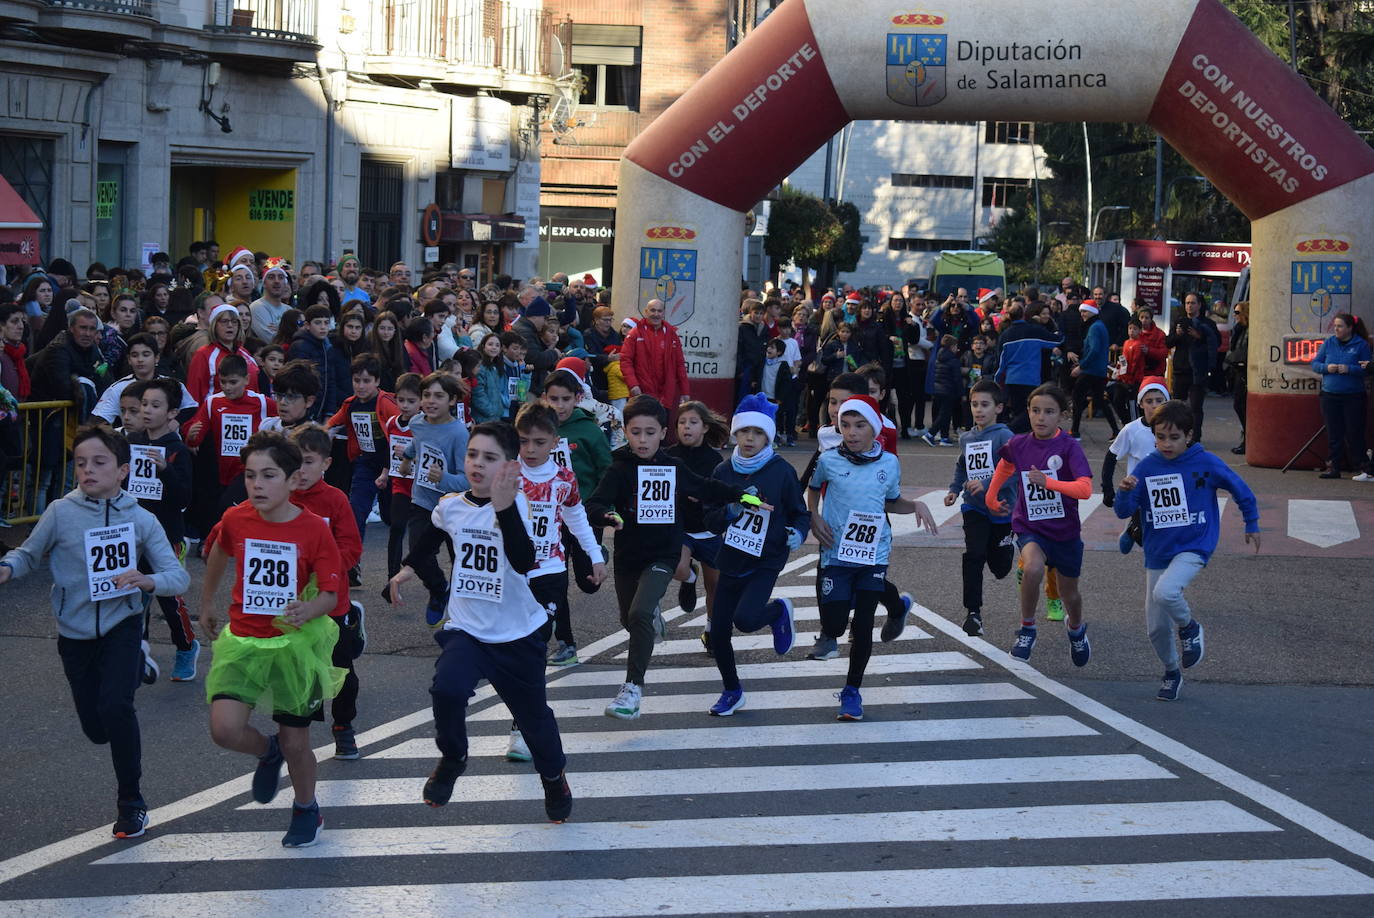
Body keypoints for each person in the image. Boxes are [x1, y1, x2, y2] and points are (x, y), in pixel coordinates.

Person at [0, 424, 190, 839]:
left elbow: (178, 576)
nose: (88, 470)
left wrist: (146, 580)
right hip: (74, 631)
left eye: (99, 463)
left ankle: (132, 804)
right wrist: (8, 568)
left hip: (122, 625)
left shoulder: (141, 519)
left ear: (122, 470)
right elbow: (28, 554)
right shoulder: (60, 512)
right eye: (81, 463)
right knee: (96, 727)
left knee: (117, 709)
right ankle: (137, 667)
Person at [387, 421, 574, 822]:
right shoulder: (451, 506)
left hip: (516, 634)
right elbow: (426, 545)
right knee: (447, 690)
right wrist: (405, 571)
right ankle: (453, 758)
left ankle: (554, 776)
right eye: (472, 455)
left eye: (489, 458)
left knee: (533, 720)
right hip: (468, 630)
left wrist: (505, 508)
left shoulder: (516, 505)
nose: (477, 463)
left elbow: (525, 561)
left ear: (508, 466)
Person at [199, 431, 347, 848]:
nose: (257, 485)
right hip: (244, 639)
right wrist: (207, 602)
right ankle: (266, 752)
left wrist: (308, 609)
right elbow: (219, 551)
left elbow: (331, 594)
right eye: (250, 476)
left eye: (268, 476)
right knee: (224, 730)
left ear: (293, 480)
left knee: (296, 741)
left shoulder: (313, 530)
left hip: (293, 645)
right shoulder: (236, 518)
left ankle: (306, 808)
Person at [585, 395, 754, 720]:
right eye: (636, 432)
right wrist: (608, 516)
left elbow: (708, 487)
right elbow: (594, 504)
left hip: (664, 553)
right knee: (631, 621)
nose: (643, 439)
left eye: (650, 432)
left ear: (663, 433)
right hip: (629, 557)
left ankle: (632, 691)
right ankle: (651, 621)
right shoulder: (619, 468)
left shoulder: (673, 467)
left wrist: (745, 495)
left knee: (639, 614)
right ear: (626, 432)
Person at [1113, 400, 1261, 700]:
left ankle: (1190, 627)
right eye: (1160, 437)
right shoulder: (1149, 465)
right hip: (1158, 550)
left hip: (1194, 544)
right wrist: (1124, 491)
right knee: (1155, 628)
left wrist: (1252, 522)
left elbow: (1238, 487)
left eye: (1174, 437)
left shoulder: (1205, 462)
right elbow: (1124, 511)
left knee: (1166, 592)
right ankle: (1171, 671)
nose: (1166, 444)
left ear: (1189, 435)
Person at [807, 395, 927, 721]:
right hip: (835, 552)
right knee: (833, 624)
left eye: (860, 425)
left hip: (873, 552)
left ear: (873, 428)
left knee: (862, 625)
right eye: (845, 425)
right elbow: (814, 488)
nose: (852, 432)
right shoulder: (828, 460)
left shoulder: (888, 463)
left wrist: (915, 505)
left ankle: (852, 691)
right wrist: (814, 516)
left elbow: (890, 501)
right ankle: (898, 605)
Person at [506, 404, 605, 757]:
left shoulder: (564, 479)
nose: (530, 449)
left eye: (539, 442)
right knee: (514, 652)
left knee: (535, 650)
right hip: (512, 576)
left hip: (549, 573)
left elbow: (577, 518)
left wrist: (595, 556)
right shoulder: (507, 475)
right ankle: (523, 715)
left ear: (554, 442)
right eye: (523, 441)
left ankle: (522, 729)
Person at [704, 395, 808, 715]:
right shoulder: (723, 471)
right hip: (732, 557)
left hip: (767, 557)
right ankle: (732, 690)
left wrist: (798, 533)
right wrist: (732, 510)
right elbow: (709, 518)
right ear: (735, 433)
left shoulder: (781, 471)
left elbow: (799, 513)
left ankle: (776, 611)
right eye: (744, 431)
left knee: (746, 620)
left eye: (758, 432)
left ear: (768, 437)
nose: (750, 438)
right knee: (718, 632)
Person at [984, 384, 1093, 666]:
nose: (1040, 417)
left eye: (1048, 412)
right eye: (1035, 411)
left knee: (1070, 594)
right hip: (1030, 525)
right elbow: (1007, 465)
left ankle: (1077, 629)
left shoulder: (1069, 447)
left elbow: (1084, 489)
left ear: (1062, 415)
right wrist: (991, 494)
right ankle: (1027, 628)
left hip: (1065, 532)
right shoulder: (1019, 444)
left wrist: (1049, 483)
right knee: (1031, 568)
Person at [284, 425, 367, 760]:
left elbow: (352, 548)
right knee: (297, 674)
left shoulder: (335, 500)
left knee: (342, 673)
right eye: (294, 462)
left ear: (326, 464)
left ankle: (343, 726)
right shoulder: (280, 497)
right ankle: (294, 737)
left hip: (332, 602)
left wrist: (325, 570)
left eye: (308, 462)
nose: (300, 470)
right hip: (291, 603)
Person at [126, 378, 199, 681]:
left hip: (167, 535)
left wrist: (165, 471)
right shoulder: (130, 443)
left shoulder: (176, 451)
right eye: (144, 404)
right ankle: (136, 651)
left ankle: (186, 646)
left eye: (155, 405)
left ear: (172, 413)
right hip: (132, 534)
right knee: (131, 594)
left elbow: (184, 498)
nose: (147, 411)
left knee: (168, 597)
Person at [539, 370, 613, 664]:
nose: (559, 405)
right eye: (553, 399)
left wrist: (603, 504)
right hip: (548, 517)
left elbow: (607, 470)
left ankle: (599, 554)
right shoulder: (539, 428)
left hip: (583, 514)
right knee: (555, 581)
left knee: (588, 583)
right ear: (545, 398)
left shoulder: (589, 431)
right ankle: (566, 642)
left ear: (578, 398)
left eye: (566, 399)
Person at [944, 379, 1017, 638]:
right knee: (973, 555)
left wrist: (987, 484)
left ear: (998, 408)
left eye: (985, 405)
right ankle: (973, 613)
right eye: (974, 404)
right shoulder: (967, 437)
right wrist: (954, 489)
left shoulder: (1004, 436)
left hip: (1001, 510)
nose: (978, 410)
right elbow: (962, 466)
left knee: (999, 568)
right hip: (974, 508)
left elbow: (1014, 470)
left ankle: (1008, 549)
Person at [400, 372, 471, 625]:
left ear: (452, 400)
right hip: (422, 502)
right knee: (418, 556)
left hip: (453, 506)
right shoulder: (418, 422)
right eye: (426, 395)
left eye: (439, 396)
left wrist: (443, 479)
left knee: (461, 561)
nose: (431, 401)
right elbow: (417, 443)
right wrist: (407, 459)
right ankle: (438, 589)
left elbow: (467, 479)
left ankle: (465, 612)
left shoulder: (458, 432)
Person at [665, 400, 730, 651]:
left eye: (693, 422)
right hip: (681, 529)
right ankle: (689, 578)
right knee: (678, 569)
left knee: (715, 586)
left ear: (704, 428)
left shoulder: (716, 460)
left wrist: (706, 496)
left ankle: (711, 630)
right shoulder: (669, 455)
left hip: (709, 530)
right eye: (682, 422)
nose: (686, 427)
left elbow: (724, 493)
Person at [326, 354, 400, 557]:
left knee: (389, 516)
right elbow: (333, 422)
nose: (360, 386)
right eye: (356, 381)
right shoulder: (350, 404)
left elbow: (397, 436)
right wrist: (326, 433)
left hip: (390, 466)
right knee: (356, 510)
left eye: (366, 381)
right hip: (365, 463)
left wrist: (387, 471)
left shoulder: (386, 403)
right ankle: (351, 562)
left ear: (377, 381)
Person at [1102, 377, 1172, 555]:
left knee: (1162, 539)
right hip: (1137, 490)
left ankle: (1132, 528)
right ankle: (1133, 527)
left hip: (1164, 489)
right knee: (1145, 539)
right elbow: (1111, 457)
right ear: (1141, 403)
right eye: (1149, 401)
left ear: (1167, 402)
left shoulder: (1173, 428)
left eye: (1159, 400)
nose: (1154, 405)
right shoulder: (1131, 430)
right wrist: (1107, 488)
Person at [375, 372, 423, 590]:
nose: (405, 405)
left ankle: (425, 570)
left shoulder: (424, 425)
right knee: (396, 527)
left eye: (411, 401)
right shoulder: (393, 422)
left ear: (421, 401)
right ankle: (391, 576)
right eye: (401, 400)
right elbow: (388, 450)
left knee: (419, 536)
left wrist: (411, 452)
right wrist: (385, 473)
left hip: (420, 487)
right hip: (399, 484)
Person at [1311, 312, 1371, 479]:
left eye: (1340, 326)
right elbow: (1315, 364)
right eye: (1335, 326)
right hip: (1330, 395)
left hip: (1353, 396)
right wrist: (1326, 368)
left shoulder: (1361, 345)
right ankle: (1333, 467)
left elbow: (1367, 369)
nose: (1336, 329)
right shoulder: (1329, 343)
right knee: (1333, 433)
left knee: (1355, 432)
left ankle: (1361, 467)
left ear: (1350, 328)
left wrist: (1349, 369)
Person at [91, 332, 197, 426]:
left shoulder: (173, 385)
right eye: (135, 355)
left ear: (157, 358)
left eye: (146, 354)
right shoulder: (118, 388)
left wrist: (175, 422)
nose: (140, 360)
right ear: (129, 359)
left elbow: (191, 407)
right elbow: (99, 418)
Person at [1166, 292, 1219, 443]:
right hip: (1181, 369)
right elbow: (1168, 343)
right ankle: (1178, 435)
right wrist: (1177, 335)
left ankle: (1195, 438)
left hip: (1198, 370)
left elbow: (1216, 343)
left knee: (1195, 406)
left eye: (1193, 303)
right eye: (1187, 303)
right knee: (1177, 405)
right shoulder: (1179, 321)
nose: (1189, 306)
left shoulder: (1207, 324)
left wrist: (1199, 336)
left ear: (1199, 305)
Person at [620, 299, 690, 411]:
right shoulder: (635, 333)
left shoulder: (671, 334)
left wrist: (685, 391)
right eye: (653, 310)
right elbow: (625, 361)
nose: (656, 314)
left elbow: (680, 364)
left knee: (662, 428)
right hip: (641, 396)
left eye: (659, 311)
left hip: (665, 398)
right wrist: (633, 385)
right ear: (646, 311)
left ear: (663, 313)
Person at [1069, 300, 1121, 439]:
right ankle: (1116, 430)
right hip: (1097, 370)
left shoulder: (1094, 328)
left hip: (1091, 370)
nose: (1082, 314)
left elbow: (1094, 350)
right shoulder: (1098, 325)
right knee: (1100, 400)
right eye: (1081, 311)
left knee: (1077, 397)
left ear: (1092, 312)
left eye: (1084, 311)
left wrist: (1081, 366)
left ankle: (1074, 431)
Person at [924, 334, 962, 446]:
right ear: (952, 346)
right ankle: (930, 434)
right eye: (956, 346)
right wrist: (961, 393)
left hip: (938, 388)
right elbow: (957, 378)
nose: (957, 349)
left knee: (944, 413)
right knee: (944, 414)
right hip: (948, 390)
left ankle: (944, 437)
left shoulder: (939, 358)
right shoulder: (953, 361)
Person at [1224, 301, 1249, 455]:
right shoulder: (1240, 329)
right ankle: (1246, 439)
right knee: (1239, 405)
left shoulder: (1250, 330)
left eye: (1238, 312)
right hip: (1238, 370)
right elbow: (1234, 347)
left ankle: (1247, 439)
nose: (1235, 315)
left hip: (1245, 371)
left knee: (1241, 405)